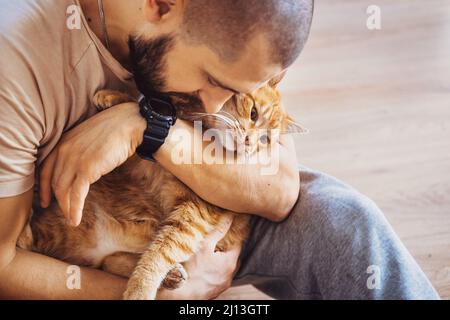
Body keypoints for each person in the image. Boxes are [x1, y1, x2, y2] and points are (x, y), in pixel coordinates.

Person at [0, 0, 439, 300]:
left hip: (204, 216)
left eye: (236, 93)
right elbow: (3, 266)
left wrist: (150, 129)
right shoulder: (17, 60)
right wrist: (169, 295)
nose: (216, 108)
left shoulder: (239, 28)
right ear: (159, 3)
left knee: (347, 219)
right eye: (213, 82)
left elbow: (279, 189)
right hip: (79, 247)